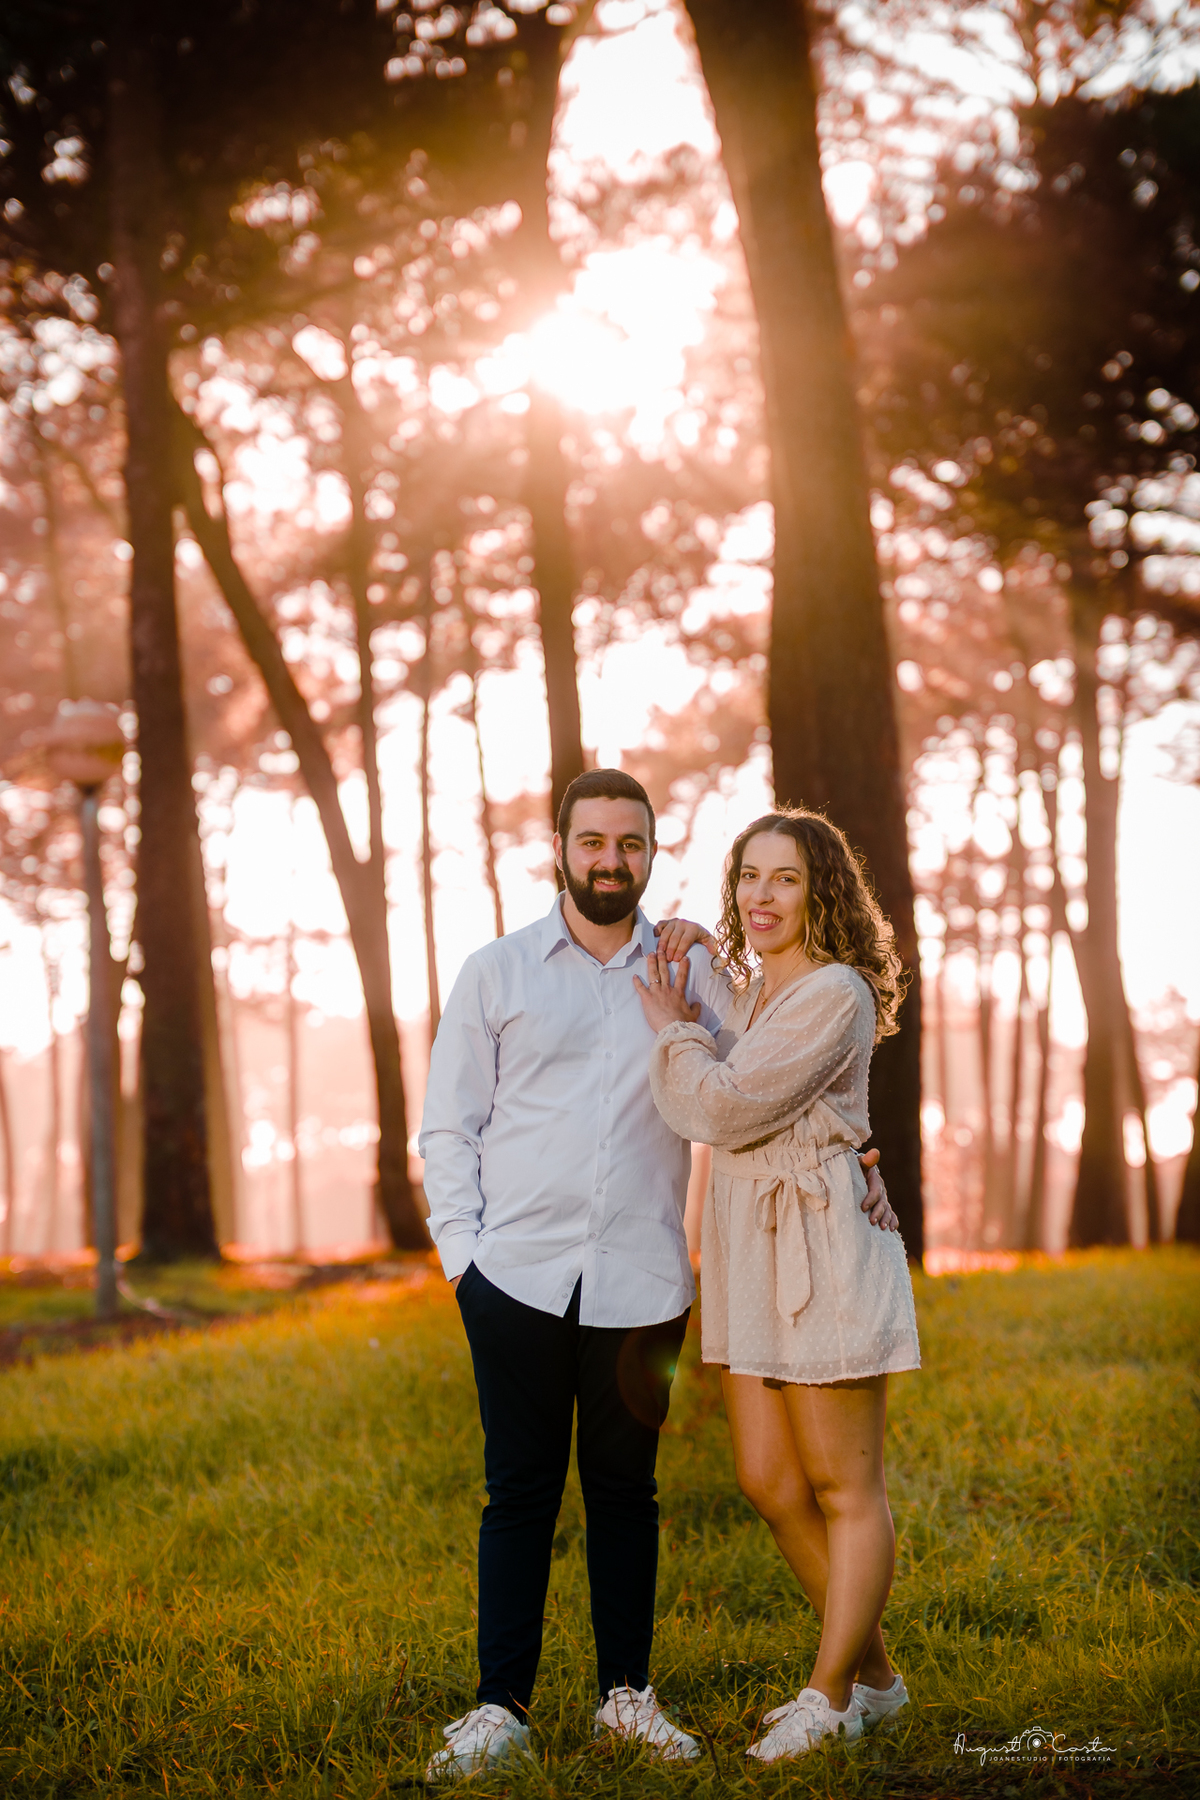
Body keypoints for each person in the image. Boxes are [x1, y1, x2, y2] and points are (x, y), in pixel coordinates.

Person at [418, 770, 896, 1780]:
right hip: (515, 1275)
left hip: (642, 1281)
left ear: (651, 853)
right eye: (592, 842)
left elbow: (767, 1071)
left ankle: (625, 1698)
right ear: (560, 848)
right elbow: (448, 1126)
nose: (610, 861)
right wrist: (464, 1261)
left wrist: (858, 1153)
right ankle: (499, 1709)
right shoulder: (497, 972)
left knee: (626, 1495)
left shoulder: (694, 971)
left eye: (629, 844)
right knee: (518, 1493)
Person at [635, 807, 920, 1765]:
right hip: (749, 1249)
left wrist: (673, 1034)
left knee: (845, 1484)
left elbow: (721, 1105)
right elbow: (737, 1026)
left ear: (821, 891)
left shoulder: (834, 991)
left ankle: (829, 1695)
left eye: (784, 878)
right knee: (766, 1478)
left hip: (822, 1243)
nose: (761, 895)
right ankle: (878, 1682)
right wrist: (690, 945)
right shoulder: (765, 991)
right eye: (748, 876)